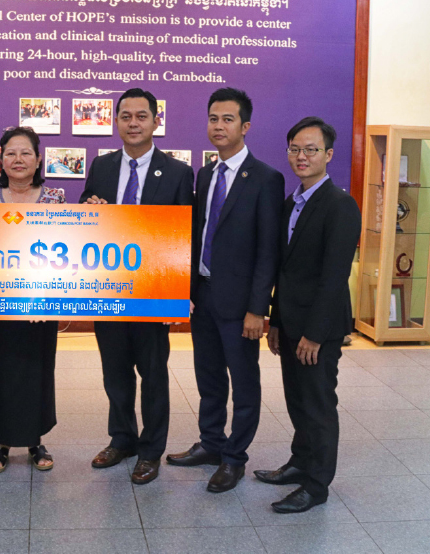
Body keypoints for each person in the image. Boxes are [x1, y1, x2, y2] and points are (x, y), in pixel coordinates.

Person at [167, 88, 285, 493]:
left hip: (240, 305)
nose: (218, 126)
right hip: (204, 295)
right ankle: (212, 443)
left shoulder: (266, 178)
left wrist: (258, 309)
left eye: (228, 119)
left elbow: (268, 250)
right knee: (209, 377)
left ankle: (235, 457)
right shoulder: (206, 174)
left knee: (244, 382)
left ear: (245, 126)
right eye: (213, 118)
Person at [80, 88, 194, 485]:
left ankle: (150, 450)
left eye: (141, 116)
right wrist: (89, 210)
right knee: (115, 373)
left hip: (154, 291)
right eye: (125, 116)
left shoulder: (177, 172)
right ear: (116, 121)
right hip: (108, 289)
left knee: (153, 374)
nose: (133, 123)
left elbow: (185, 235)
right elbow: (85, 216)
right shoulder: (102, 166)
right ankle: (122, 439)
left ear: (156, 121)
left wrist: (181, 293)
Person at [256, 117, 361, 513]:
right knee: (297, 400)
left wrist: (314, 334)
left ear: (328, 155)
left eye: (311, 150)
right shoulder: (292, 203)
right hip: (291, 322)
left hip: (319, 329)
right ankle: (299, 463)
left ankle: (316, 485)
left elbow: (334, 277)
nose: (301, 156)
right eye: (295, 149)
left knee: (317, 406)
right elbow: (285, 270)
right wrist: (276, 321)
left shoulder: (340, 205)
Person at [0, 127, 65, 473]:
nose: (18, 159)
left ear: (38, 159)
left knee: (36, 371)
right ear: (0, 160)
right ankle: (0, 443)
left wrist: (47, 298)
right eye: (10, 153)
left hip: (41, 305)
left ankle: (35, 440)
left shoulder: (55, 198)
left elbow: (65, 251)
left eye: (26, 152)